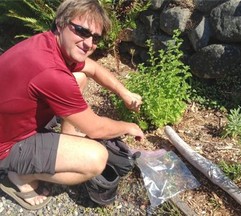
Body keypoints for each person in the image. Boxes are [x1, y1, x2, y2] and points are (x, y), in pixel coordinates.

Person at [0, 0, 144, 210]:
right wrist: (128, 126)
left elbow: (92, 68)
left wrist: (124, 92)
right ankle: (18, 174)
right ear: (60, 24)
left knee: (78, 77)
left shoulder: (49, 45)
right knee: (96, 158)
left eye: (95, 37)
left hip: (10, 123)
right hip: (6, 145)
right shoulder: (50, 71)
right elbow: (96, 128)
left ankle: (65, 137)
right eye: (81, 31)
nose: (88, 43)